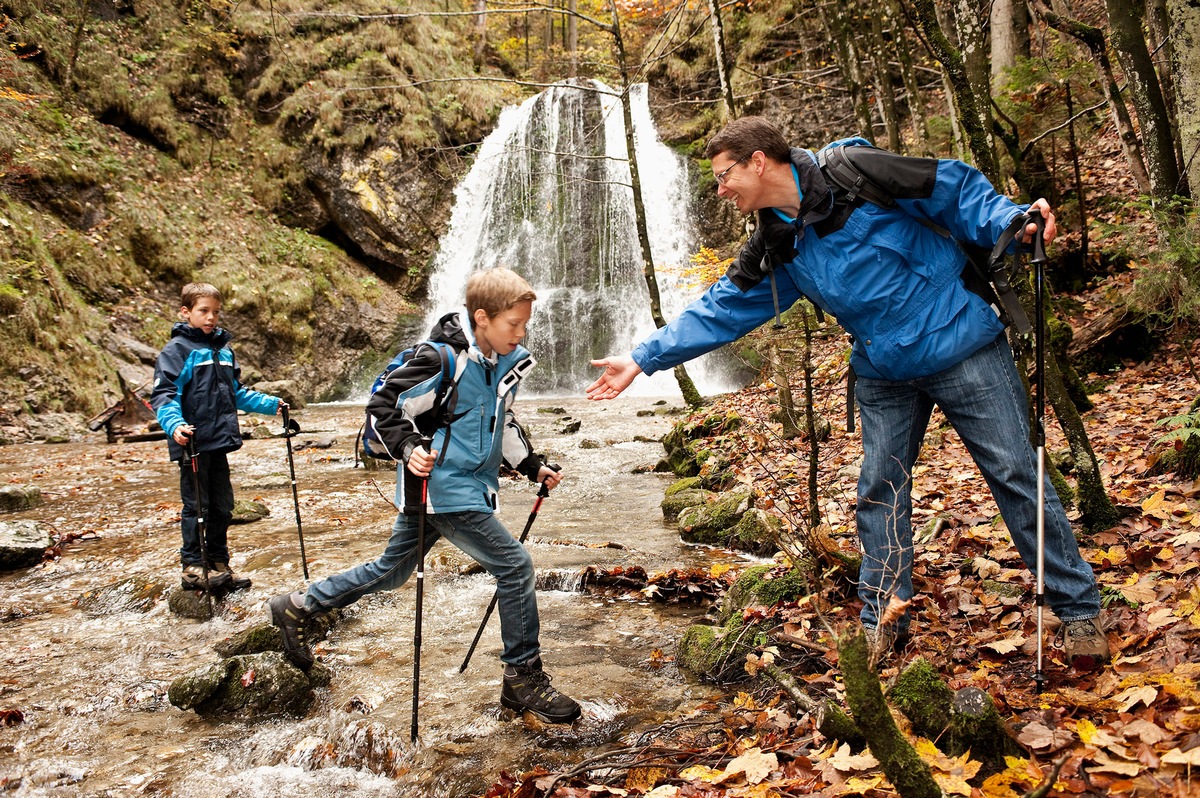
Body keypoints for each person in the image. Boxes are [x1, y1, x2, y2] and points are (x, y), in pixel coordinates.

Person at [587, 116, 1109, 669]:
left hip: (961, 340)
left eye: (723, 176)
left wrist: (1012, 220)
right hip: (883, 368)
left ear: (758, 161)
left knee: (1015, 474)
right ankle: (884, 623)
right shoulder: (776, 242)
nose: (719, 190)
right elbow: (723, 308)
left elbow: (950, 188)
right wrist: (642, 360)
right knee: (879, 491)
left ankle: (1078, 611)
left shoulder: (856, 173)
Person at [268, 267, 581, 723]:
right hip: (444, 489)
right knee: (515, 566)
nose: (522, 331)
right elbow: (383, 407)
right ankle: (522, 677)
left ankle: (299, 605)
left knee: (391, 571)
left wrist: (531, 464)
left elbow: (502, 423)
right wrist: (410, 448)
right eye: (514, 323)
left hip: (453, 491)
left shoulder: (502, 366)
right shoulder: (441, 360)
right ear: (482, 318)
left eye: (525, 323)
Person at [152, 282, 284, 593]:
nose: (211, 318)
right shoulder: (177, 351)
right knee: (197, 507)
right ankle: (194, 566)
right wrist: (175, 426)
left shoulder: (223, 351)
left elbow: (236, 393)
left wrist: (271, 404)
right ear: (186, 313)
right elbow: (165, 395)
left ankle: (219, 563)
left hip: (219, 441)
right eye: (203, 311)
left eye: (215, 312)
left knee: (223, 506)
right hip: (193, 442)